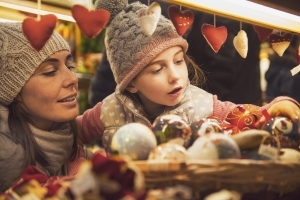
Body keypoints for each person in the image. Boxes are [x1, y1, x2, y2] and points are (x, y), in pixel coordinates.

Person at [77, 0, 300, 154]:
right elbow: (70, 136)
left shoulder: (202, 104)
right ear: (131, 82)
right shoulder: (109, 111)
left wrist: (274, 107)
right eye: (157, 70)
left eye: (178, 61)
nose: (176, 77)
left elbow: (245, 117)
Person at [88, 0, 263, 107]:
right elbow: (114, 69)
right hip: (142, 128)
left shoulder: (234, 12)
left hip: (216, 126)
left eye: (178, 61)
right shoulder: (147, 8)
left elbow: (237, 81)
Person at [0, 22, 90, 192]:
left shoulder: (71, 143)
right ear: (12, 89)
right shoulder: (7, 161)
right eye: (50, 71)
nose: (73, 79)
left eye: (70, 67)